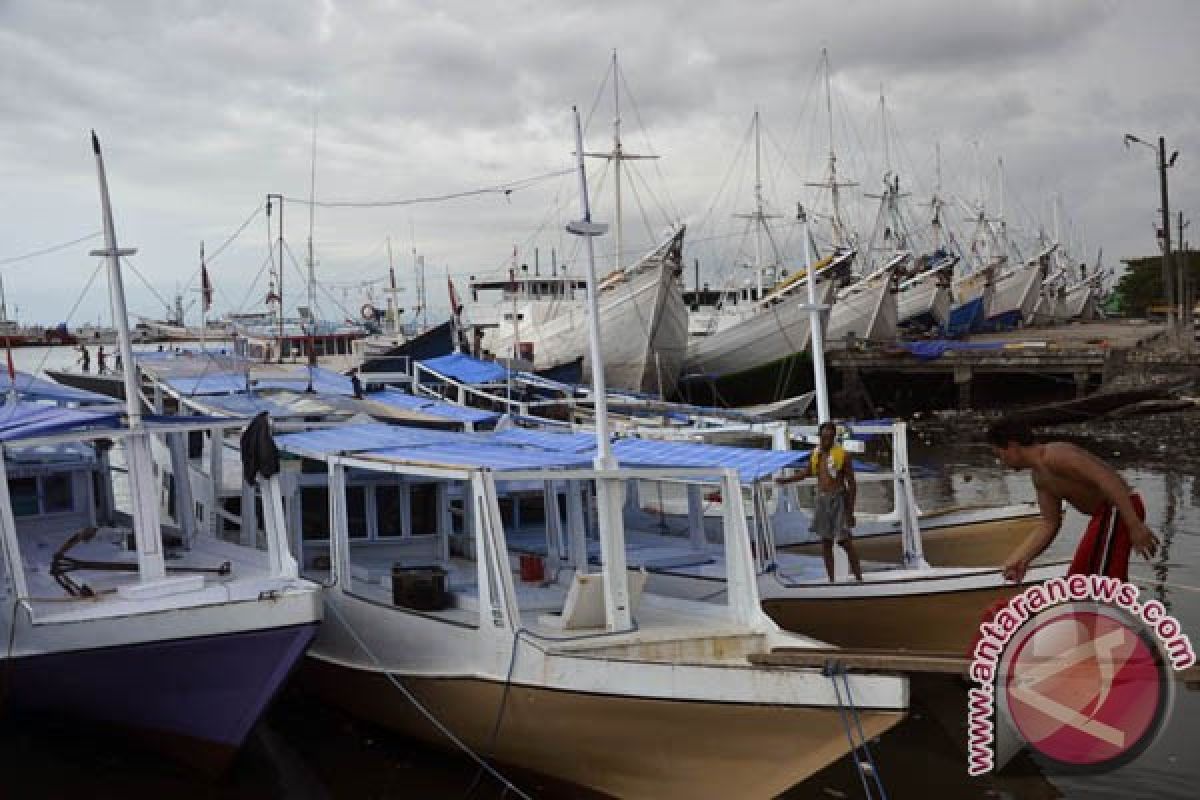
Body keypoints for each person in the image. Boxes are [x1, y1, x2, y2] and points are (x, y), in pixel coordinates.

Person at [987, 418, 1158, 583]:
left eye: (1000, 454)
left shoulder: (1056, 455)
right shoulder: (1040, 478)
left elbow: (1107, 478)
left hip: (1119, 508)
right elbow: (1050, 523)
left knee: (1090, 582)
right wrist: (1021, 558)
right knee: (1084, 580)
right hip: (1106, 516)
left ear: (1012, 447)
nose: (1002, 462)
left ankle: (1107, 609)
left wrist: (1134, 525)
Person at [778, 420, 863, 582]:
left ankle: (859, 578)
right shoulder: (816, 454)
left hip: (839, 499)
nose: (826, 441)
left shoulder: (843, 456)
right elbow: (806, 472)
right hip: (822, 500)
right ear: (819, 437)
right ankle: (831, 580)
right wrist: (786, 480)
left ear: (834, 439)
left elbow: (852, 484)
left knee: (846, 542)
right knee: (826, 542)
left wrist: (850, 512)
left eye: (830, 438)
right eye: (823, 437)